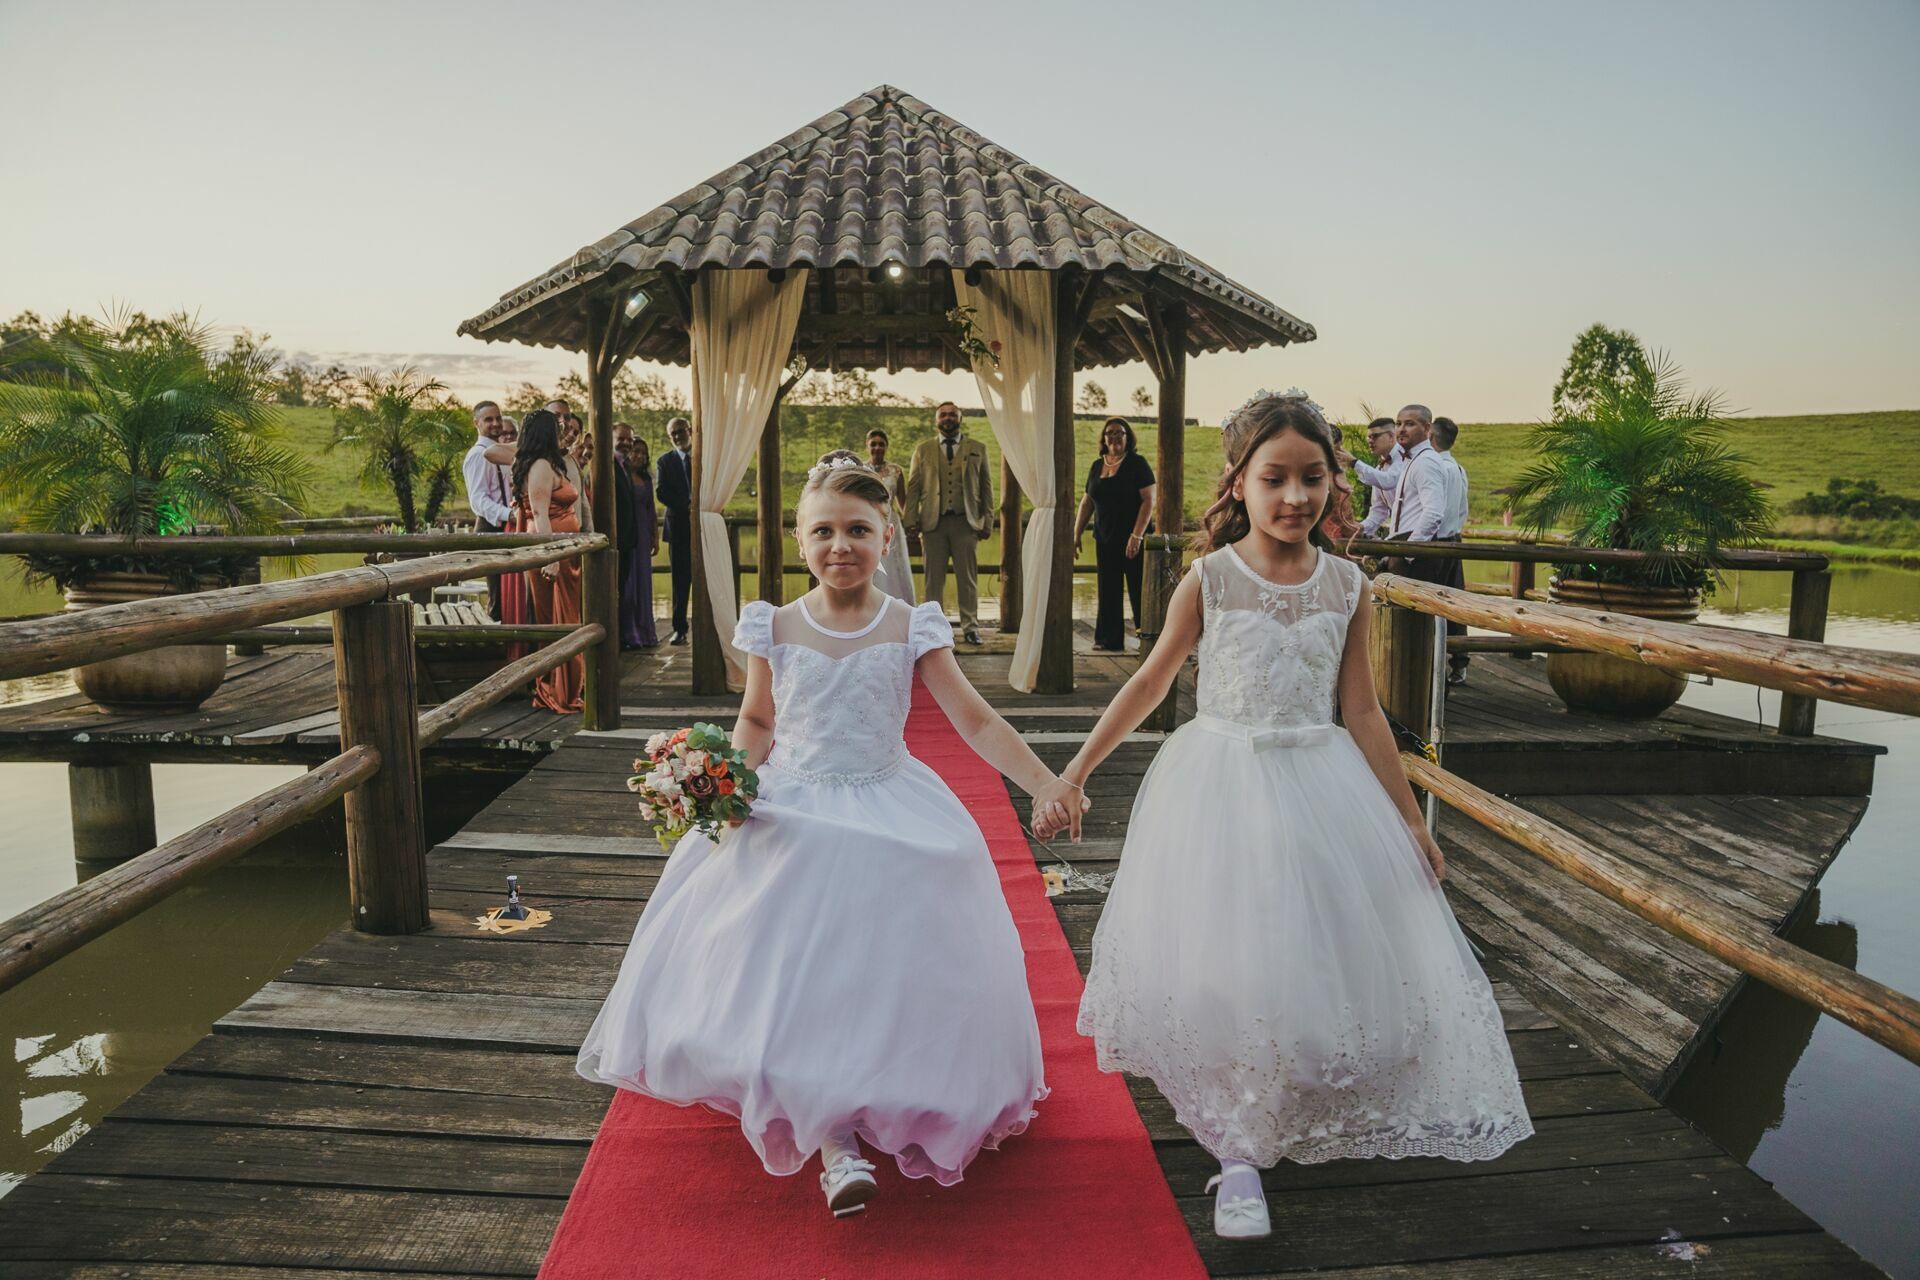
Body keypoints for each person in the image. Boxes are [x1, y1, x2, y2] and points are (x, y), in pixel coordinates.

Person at [1040, 391, 1531, 1240]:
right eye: (1275, 478)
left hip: (1321, 783)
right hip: (1221, 782)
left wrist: (1410, 819)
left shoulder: (1349, 585)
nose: (1295, 497)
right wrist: (1076, 770)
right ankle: (1239, 1151)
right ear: (1240, 482)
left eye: (1312, 478)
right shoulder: (1212, 578)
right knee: (1233, 951)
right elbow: (1152, 681)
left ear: (1335, 484)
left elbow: (1366, 713)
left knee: (1311, 947)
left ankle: (1290, 1088)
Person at [576, 454, 1085, 1217]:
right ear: (798, 539)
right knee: (794, 969)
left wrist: (1043, 780)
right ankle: (832, 1142)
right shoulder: (774, 624)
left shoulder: (912, 626)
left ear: (887, 538)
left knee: (878, 965)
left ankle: (892, 1084)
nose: (839, 545)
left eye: (857, 529)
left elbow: (974, 718)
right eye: (823, 531)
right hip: (792, 802)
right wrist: (721, 784)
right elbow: (756, 719)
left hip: (889, 798)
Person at [1385, 405, 1469, 684]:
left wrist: (1409, 551)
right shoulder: (1411, 461)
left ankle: (1420, 689)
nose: (1401, 429)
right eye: (1398, 423)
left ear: (1427, 429)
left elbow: (1434, 512)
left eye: (1409, 424)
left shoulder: (1427, 462)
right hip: (1410, 545)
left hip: (1417, 553)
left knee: (1418, 626)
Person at [511, 410, 586, 713]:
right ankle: (555, 690)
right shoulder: (541, 466)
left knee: (566, 617)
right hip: (552, 554)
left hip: (566, 552)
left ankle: (566, 687)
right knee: (556, 619)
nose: (563, 433)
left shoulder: (551, 462)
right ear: (546, 433)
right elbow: (540, 513)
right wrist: (551, 556)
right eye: (558, 429)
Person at [904, 401, 994, 644]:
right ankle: (934, 630)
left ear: (960, 418)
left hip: (966, 524)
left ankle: (970, 627)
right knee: (933, 580)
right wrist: (910, 521)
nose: (947, 418)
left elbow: (986, 487)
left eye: (952, 414)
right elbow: (913, 488)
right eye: (943, 415)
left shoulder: (978, 448)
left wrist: (988, 521)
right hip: (933, 524)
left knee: (968, 578)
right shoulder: (923, 450)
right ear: (936, 420)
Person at [1073, 417, 1156, 652]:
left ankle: (1147, 640)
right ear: (1104, 438)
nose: (1114, 437)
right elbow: (1087, 501)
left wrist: (1137, 535)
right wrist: (1076, 533)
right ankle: (1109, 641)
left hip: (1133, 539)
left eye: (1120, 433)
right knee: (1107, 589)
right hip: (1105, 537)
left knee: (1139, 589)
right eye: (1110, 433)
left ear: (1128, 437)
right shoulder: (1096, 466)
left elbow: (1149, 500)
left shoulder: (1137, 464)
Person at [462, 401, 514, 621]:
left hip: (507, 525)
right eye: (488, 420)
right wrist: (508, 514)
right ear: (477, 423)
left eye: (498, 418)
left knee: (509, 591)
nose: (495, 424)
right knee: (498, 592)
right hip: (490, 526)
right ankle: (497, 641)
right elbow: (478, 500)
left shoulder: (499, 452)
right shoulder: (478, 454)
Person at [614, 424, 659, 647]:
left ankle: (645, 631)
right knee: (629, 584)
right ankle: (629, 633)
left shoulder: (646, 479)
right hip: (628, 534)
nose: (639, 456)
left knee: (643, 582)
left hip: (643, 535)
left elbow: (652, 510)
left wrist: (654, 536)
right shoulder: (621, 474)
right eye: (635, 451)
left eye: (643, 452)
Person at [864, 429, 916, 604]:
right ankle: (869, 604)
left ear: (886, 447)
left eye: (881, 444)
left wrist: (912, 524)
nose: (877, 448)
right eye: (874, 444)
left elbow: (903, 503)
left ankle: (898, 605)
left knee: (893, 566)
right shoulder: (860, 469)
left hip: (890, 522)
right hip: (867, 521)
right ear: (867, 446)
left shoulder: (896, 471)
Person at [656, 417, 694, 645]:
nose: (678, 436)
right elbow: (661, 493)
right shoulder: (664, 461)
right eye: (673, 434)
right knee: (680, 582)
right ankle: (679, 629)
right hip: (678, 528)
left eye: (681, 431)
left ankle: (713, 627)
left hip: (704, 528)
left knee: (708, 580)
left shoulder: (703, 457)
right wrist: (686, 505)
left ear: (689, 430)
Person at [1337, 417, 1404, 539]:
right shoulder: (1380, 468)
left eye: (1375, 436)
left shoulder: (1405, 457)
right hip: (1397, 535)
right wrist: (1358, 529)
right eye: (1369, 437)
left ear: (1391, 436)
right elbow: (1379, 511)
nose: (1370, 441)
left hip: (1416, 535)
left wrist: (1354, 463)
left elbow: (1389, 481)